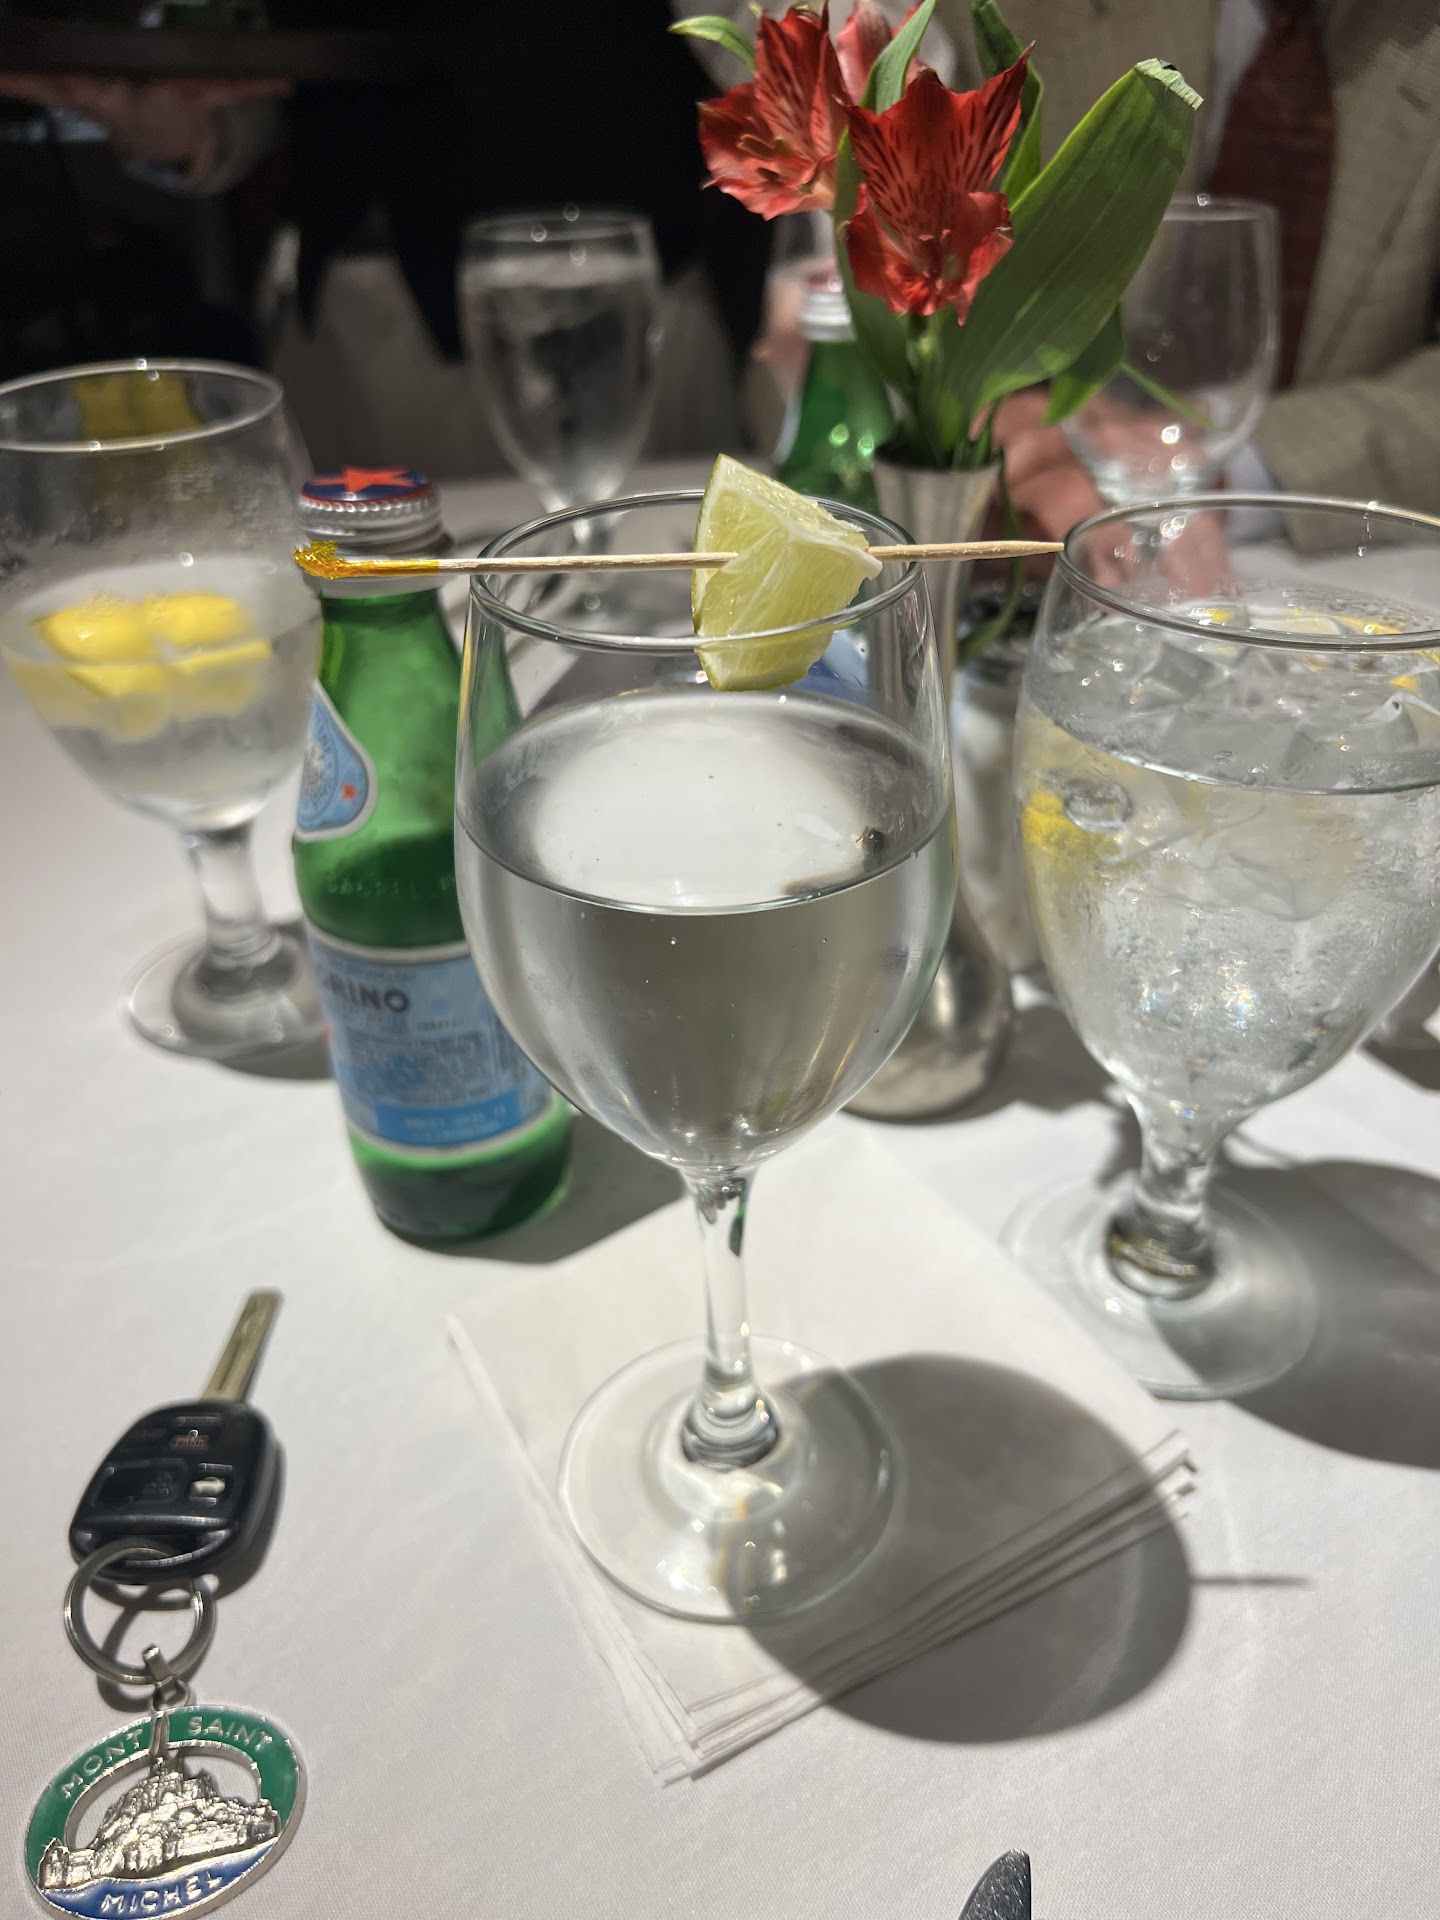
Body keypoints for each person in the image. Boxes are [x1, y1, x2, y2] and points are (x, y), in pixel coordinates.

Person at [931, 0, 1440, 535]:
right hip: (1029, 505)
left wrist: (1220, 474)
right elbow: (924, 248)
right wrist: (993, 406)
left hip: (1336, 545)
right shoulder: (999, 16)